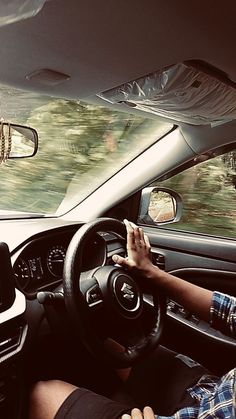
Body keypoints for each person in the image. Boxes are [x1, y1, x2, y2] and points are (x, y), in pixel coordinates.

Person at [29, 220, 236, 418]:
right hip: (211, 391)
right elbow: (229, 311)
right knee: (108, 345)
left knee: (43, 395)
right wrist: (151, 271)